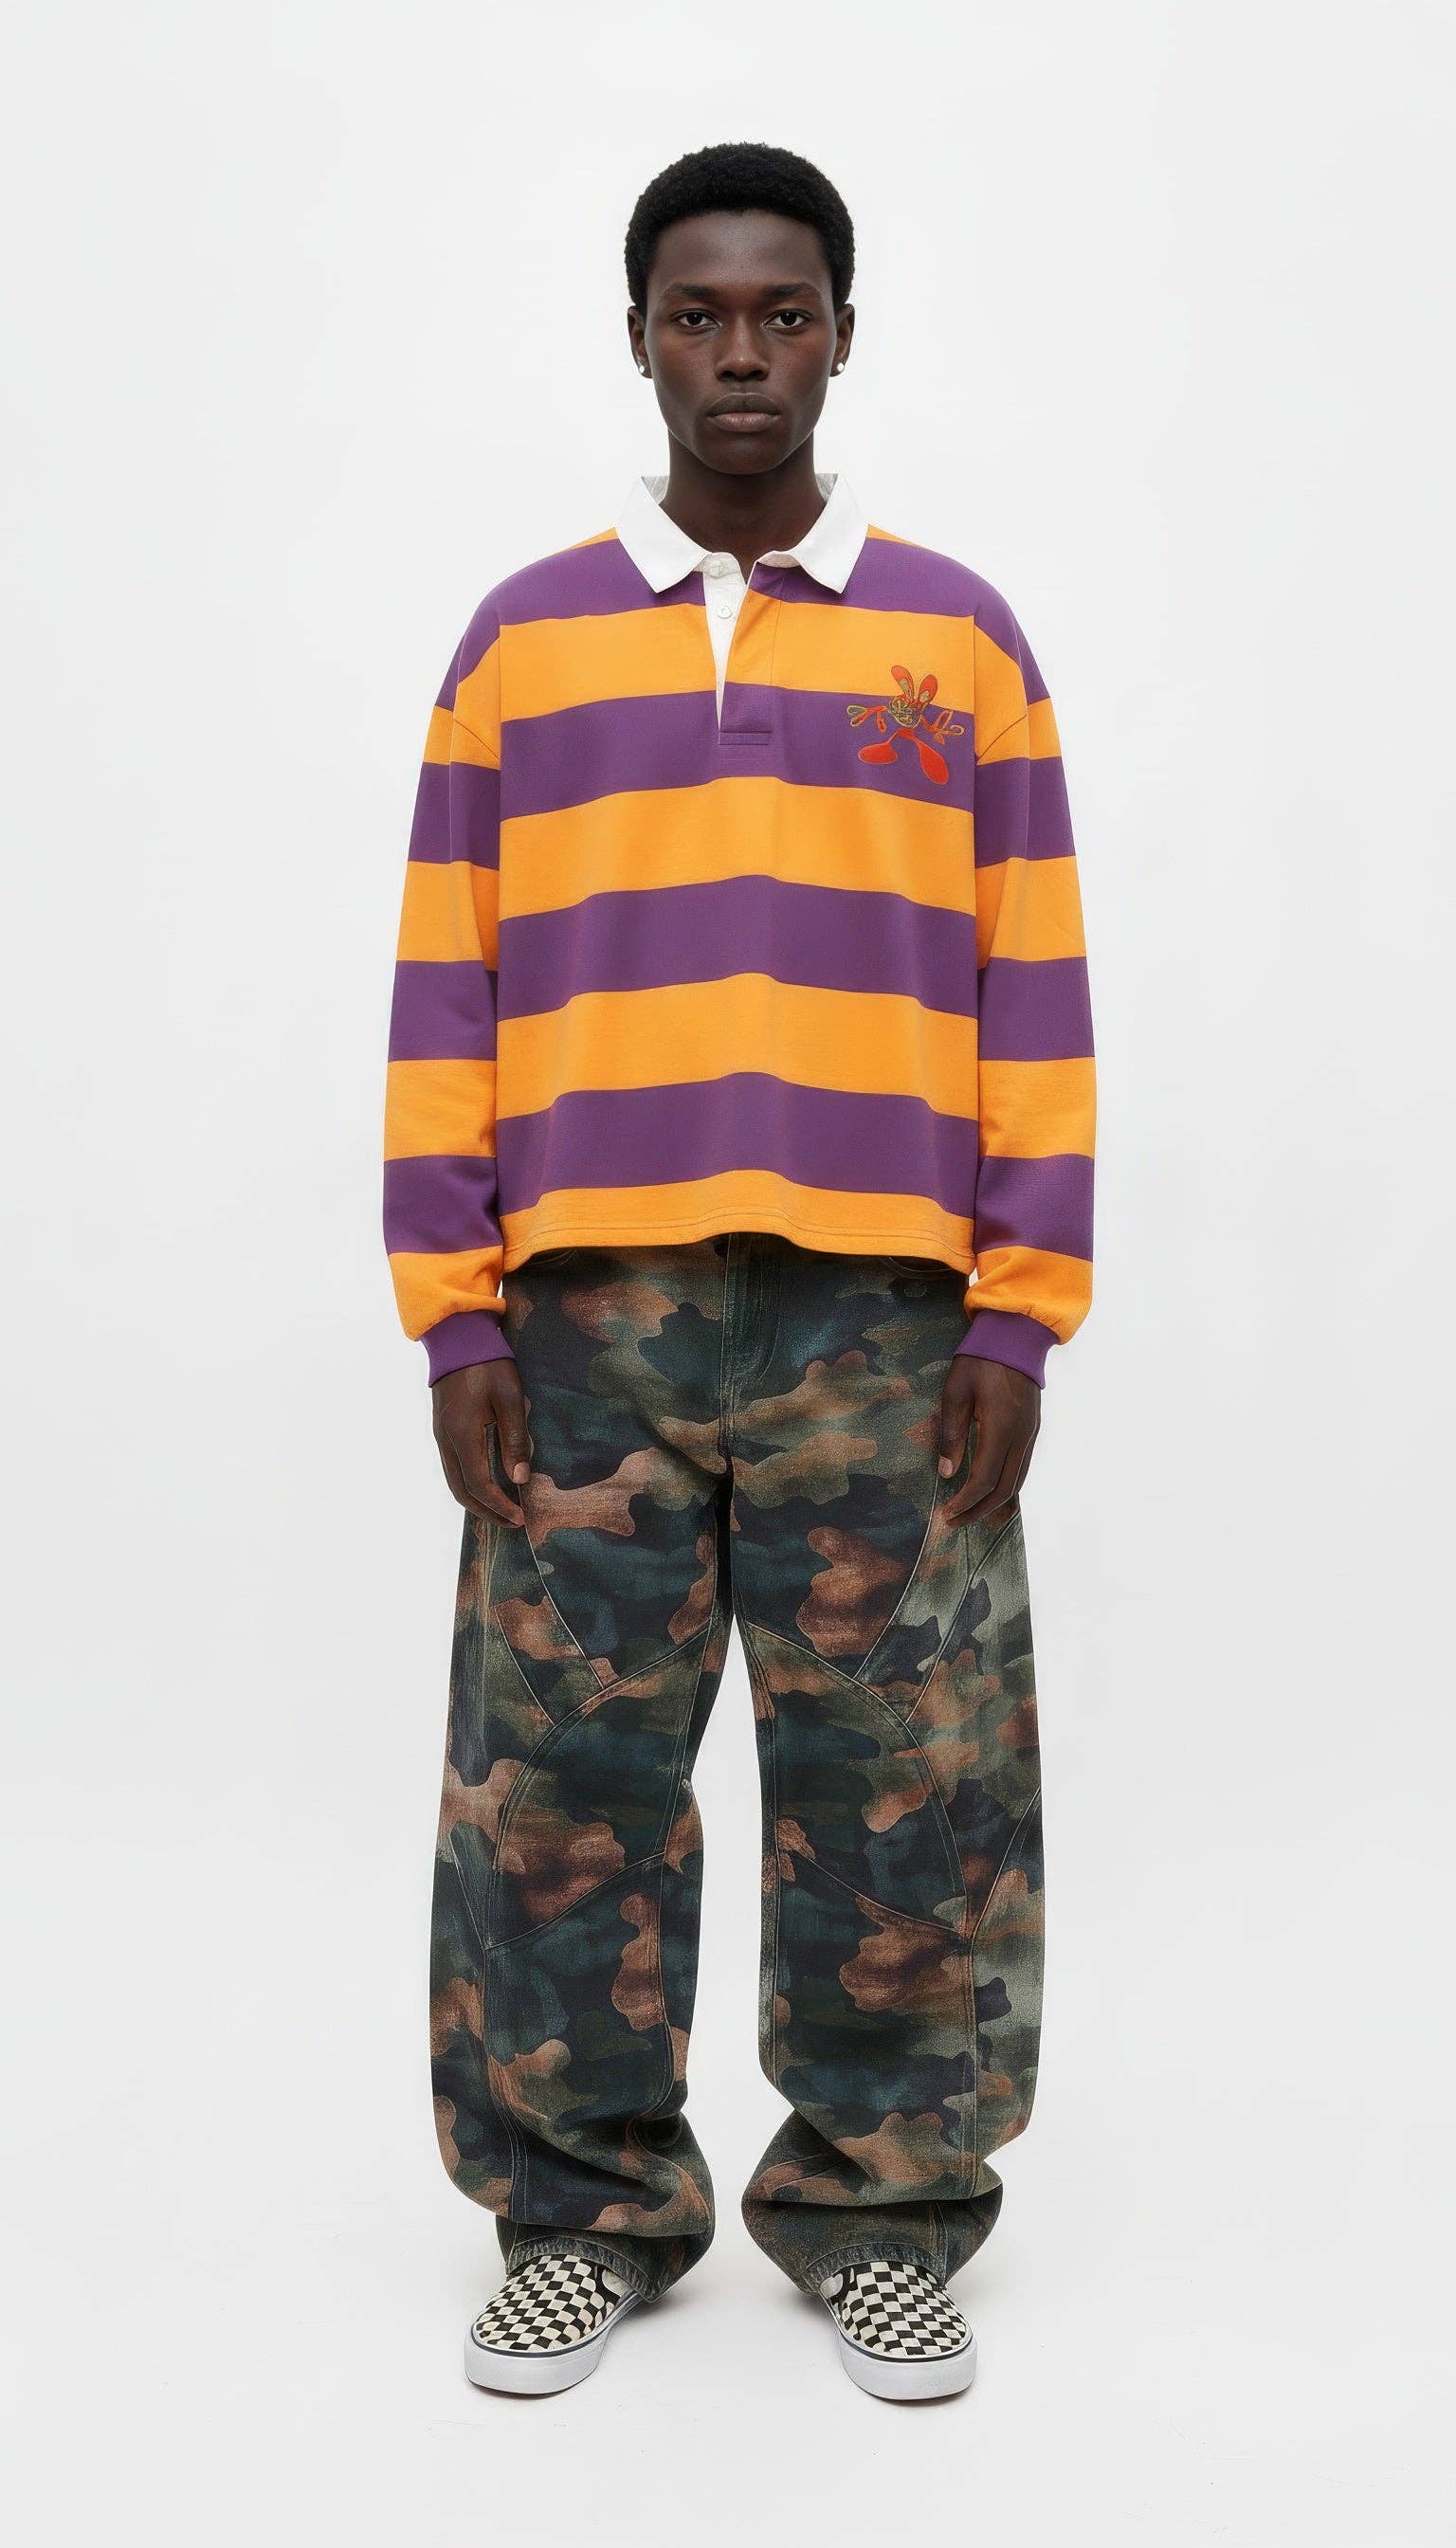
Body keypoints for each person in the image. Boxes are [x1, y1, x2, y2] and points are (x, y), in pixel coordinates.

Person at [382, 140, 1094, 2403]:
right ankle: (580, 2210)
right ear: (640, 340)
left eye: (784, 313)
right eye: (699, 315)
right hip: (585, 1319)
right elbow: (448, 982)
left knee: (909, 1776)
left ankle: (882, 2214)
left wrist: (1019, 1308)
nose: (743, 354)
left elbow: (1034, 983)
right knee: (559, 1775)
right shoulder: (523, 640)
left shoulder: (956, 638)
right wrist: (453, 1306)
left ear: (843, 337)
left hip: (886, 1324)